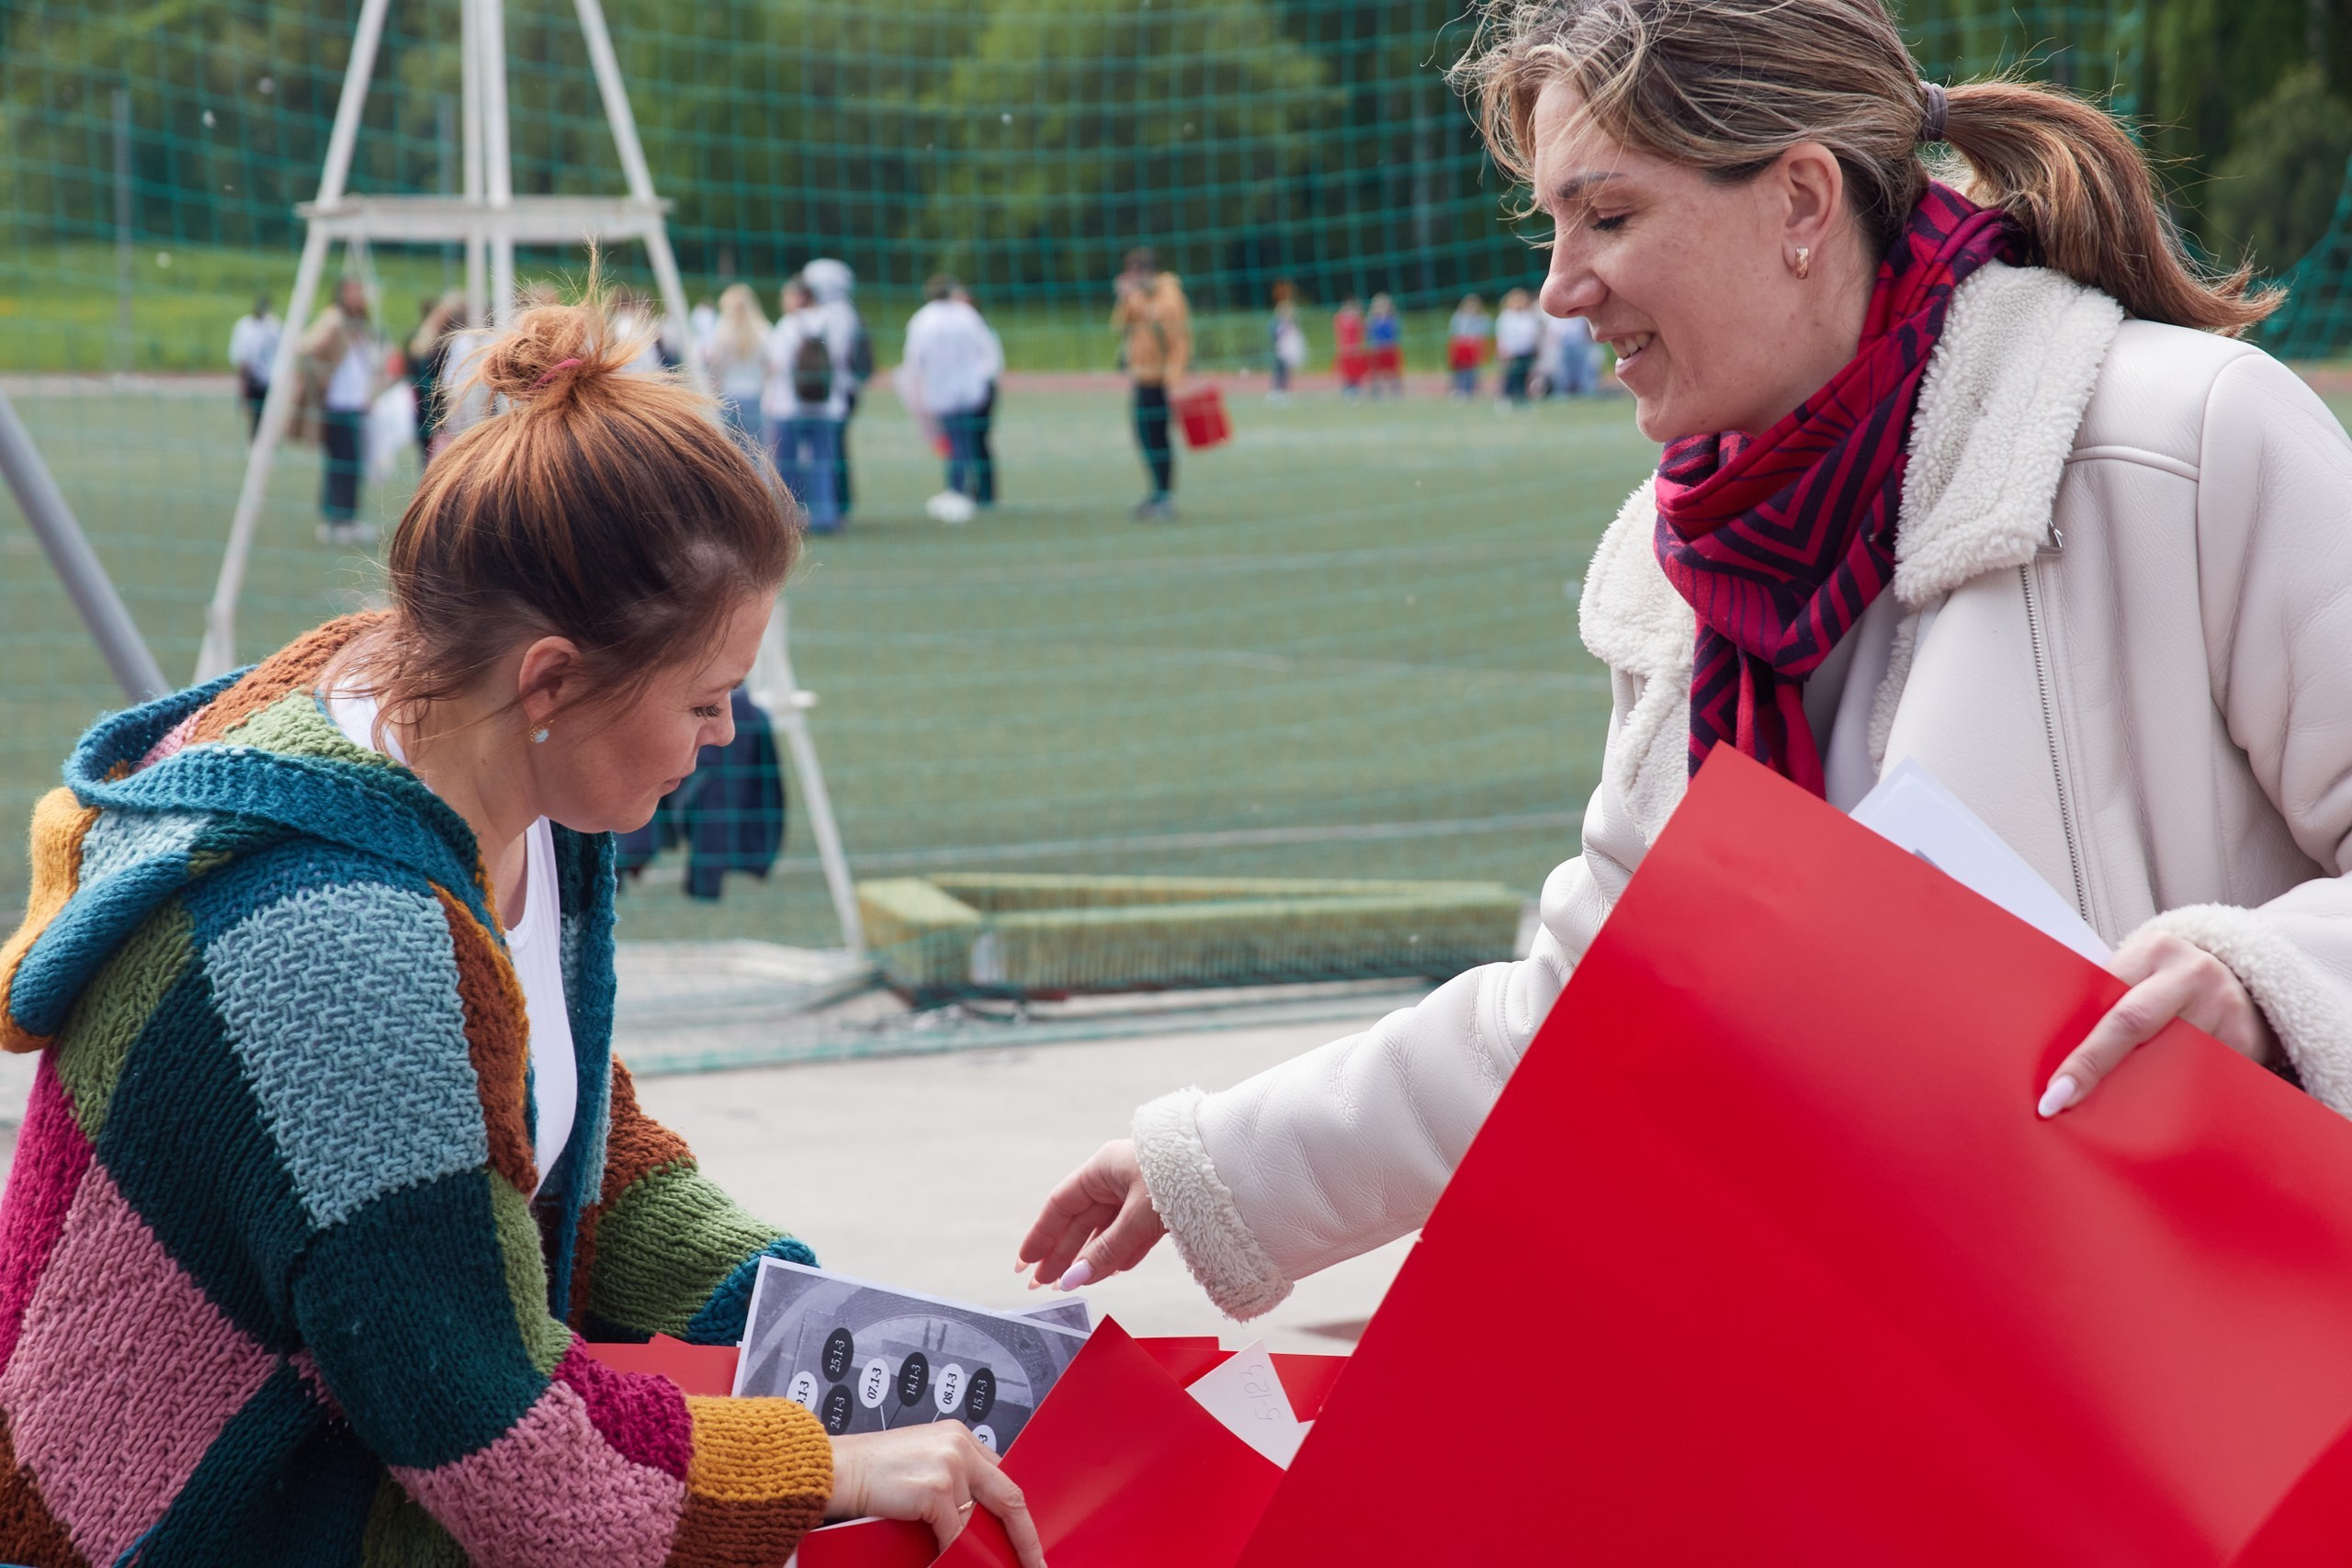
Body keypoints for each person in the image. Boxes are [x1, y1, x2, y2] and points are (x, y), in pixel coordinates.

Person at [1016, 0, 2352, 1327]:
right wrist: (1215, 1162)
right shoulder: (1682, 576)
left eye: (1607, 216)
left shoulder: (2185, 440)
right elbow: (1600, 1011)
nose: (1558, 285)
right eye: (1550, 225)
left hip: (2224, 1368)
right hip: (1918, 1383)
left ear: (1801, 204)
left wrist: (2262, 985)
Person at [0, 291, 1046, 1568]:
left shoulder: (486, 756)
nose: (725, 738)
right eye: (708, 700)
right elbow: (504, 1452)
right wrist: (822, 1460)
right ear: (550, 678)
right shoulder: (348, 952)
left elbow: (559, 1135)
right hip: (194, 1524)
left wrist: (792, 1306)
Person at [902, 277, 1006, 523]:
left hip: (942, 390)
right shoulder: (967, 316)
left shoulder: (923, 319)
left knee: (957, 441)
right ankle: (971, 492)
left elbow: (915, 359)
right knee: (969, 440)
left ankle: (958, 492)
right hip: (972, 389)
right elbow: (987, 352)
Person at [765, 274, 853, 532]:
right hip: (827, 405)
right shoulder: (834, 323)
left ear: (799, 297)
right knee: (823, 462)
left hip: (789, 405)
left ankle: (792, 516)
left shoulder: (788, 325)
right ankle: (826, 514)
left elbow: (777, 364)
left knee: (788, 464)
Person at [300, 276, 381, 547]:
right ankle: (337, 519)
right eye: (353, 291)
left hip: (355, 404)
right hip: (337, 404)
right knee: (340, 464)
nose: (359, 296)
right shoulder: (333, 320)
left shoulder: (361, 324)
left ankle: (346, 517)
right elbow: (308, 349)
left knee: (352, 464)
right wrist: (322, 380)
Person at [1112, 247, 1191, 521]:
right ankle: (1155, 492)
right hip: (1142, 376)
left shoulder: (1169, 291)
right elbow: (1120, 326)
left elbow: (1165, 320)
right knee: (1143, 435)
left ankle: (1165, 497)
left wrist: (1138, 298)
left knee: (1159, 438)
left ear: (1146, 272)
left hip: (1163, 378)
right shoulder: (1136, 294)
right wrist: (1124, 299)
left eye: (1134, 272)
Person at [802, 259, 868, 521]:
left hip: (835, 391)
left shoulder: (835, 314)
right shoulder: (843, 311)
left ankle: (836, 503)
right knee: (834, 448)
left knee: (832, 449)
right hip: (840, 389)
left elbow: (835, 354)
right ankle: (837, 502)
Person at [707, 281, 772, 443]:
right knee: (754, 449)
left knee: (728, 448)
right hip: (753, 394)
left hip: (727, 395)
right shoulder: (763, 330)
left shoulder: (721, 332)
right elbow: (771, 366)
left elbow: (715, 367)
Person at [408, 290, 465, 465]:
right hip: (431, 420)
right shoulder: (430, 346)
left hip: (448, 423)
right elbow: (416, 351)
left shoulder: (459, 344)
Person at [228, 291, 281, 439]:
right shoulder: (245, 327)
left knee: (270, 416)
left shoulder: (274, 325)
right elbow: (242, 359)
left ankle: (266, 445)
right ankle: (254, 446)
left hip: (270, 377)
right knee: (255, 415)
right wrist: (243, 386)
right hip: (253, 378)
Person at [1494, 286, 1543, 405]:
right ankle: (1507, 398)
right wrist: (1503, 351)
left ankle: (1522, 399)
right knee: (1512, 376)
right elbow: (1502, 335)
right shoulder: (1506, 316)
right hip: (1512, 351)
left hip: (1526, 350)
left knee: (1524, 376)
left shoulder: (1528, 316)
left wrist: (1536, 348)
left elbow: (1534, 333)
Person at [1539, 308, 1599, 396]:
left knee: (1582, 371)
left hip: (1579, 345)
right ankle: (1564, 393)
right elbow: (1552, 333)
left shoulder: (1579, 317)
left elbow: (1586, 329)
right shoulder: (1557, 318)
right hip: (1563, 346)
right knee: (1563, 373)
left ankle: (1585, 392)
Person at [1446, 293, 1492, 397]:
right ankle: (1459, 388)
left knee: (1473, 369)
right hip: (1462, 346)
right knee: (1460, 369)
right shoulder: (1458, 317)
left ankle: (1470, 389)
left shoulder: (1481, 318)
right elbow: (1455, 332)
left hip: (1474, 346)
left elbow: (1485, 330)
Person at [1268, 281, 1307, 400]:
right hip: (1280, 351)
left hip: (1288, 352)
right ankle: (1276, 391)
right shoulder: (1277, 324)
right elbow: (1275, 336)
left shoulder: (1291, 325)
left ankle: (1284, 391)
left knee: (1286, 373)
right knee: (1279, 371)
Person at [1364, 293, 1404, 398]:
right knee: (1375, 371)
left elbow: (1396, 334)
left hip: (1389, 349)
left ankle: (1395, 389)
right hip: (1377, 349)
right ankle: (1375, 390)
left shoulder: (1392, 319)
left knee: (1393, 371)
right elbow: (1370, 334)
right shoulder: (1372, 320)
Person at [1332, 296, 1367, 397]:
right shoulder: (1340, 319)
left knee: (1356, 369)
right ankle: (1347, 389)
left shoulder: (1357, 320)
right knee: (1346, 370)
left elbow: (1360, 332)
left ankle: (1356, 388)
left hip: (1355, 348)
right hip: (1345, 349)